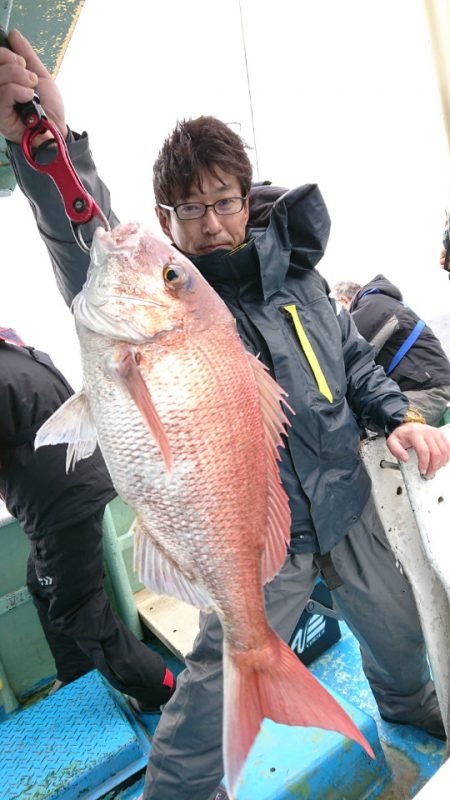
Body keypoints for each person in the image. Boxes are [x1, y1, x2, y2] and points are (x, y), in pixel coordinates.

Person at [1, 31, 450, 800]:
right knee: (213, 688)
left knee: (403, 642)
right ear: (163, 218)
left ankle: (423, 737)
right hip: (258, 538)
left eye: (225, 202)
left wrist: (398, 414)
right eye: (190, 210)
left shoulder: (303, 284)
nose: (211, 224)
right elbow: (88, 243)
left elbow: (356, 364)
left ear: (247, 197)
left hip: (349, 503)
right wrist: (49, 146)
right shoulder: (184, 307)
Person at [0, 328, 175, 714]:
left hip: (56, 502)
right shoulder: (19, 351)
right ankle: (75, 669)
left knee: (76, 606)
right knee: (41, 582)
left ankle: (156, 686)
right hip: (84, 477)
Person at [332, 276, 450, 426]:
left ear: (343, 301)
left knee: (369, 435)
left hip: (430, 391)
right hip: (422, 386)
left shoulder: (373, 306)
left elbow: (343, 358)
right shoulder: (381, 301)